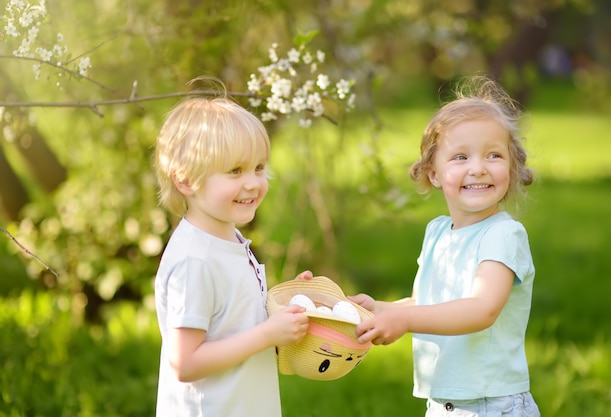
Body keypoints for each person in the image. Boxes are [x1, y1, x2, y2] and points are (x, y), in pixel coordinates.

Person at [350, 76, 540, 416]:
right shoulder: (437, 231)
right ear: (433, 173)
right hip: (444, 401)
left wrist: (406, 320)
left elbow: (482, 309)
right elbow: (429, 302)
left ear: (511, 166)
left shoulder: (503, 235)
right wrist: (383, 309)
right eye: (460, 157)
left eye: (494, 155)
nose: (478, 168)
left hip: (491, 403)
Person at [152, 88, 311, 417]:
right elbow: (186, 362)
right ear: (185, 179)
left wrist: (286, 308)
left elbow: (233, 321)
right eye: (235, 171)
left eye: (258, 168)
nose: (253, 183)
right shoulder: (194, 260)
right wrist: (268, 334)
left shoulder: (229, 239)